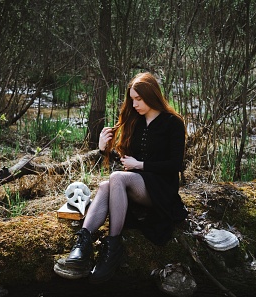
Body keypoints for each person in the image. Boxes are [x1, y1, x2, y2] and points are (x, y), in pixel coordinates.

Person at [64, 72, 188, 283]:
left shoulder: (172, 122)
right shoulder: (136, 122)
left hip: (162, 190)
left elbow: (176, 164)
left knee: (118, 179)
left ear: (152, 96)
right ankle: (83, 244)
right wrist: (104, 148)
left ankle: (112, 248)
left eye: (139, 99)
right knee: (105, 185)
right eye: (132, 99)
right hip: (137, 184)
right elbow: (124, 163)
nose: (135, 104)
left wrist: (141, 165)